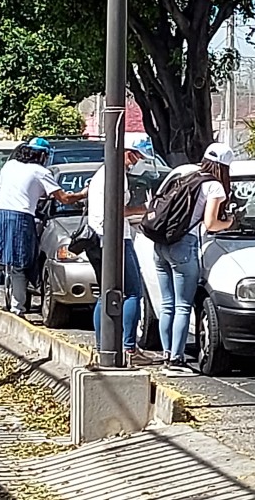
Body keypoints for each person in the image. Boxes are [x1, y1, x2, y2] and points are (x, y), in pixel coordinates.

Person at [0, 137, 85, 330]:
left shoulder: (9, 166)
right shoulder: (41, 172)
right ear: (43, 155)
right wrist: (84, 193)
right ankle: (17, 310)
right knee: (20, 266)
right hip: (21, 218)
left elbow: (2, 190)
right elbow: (64, 198)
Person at [155, 142, 236, 376]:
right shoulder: (215, 187)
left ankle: (166, 354)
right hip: (183, 246)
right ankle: (176, 361)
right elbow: (211, 224)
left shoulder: (189, 175)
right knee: (183, 305)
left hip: (160, 245)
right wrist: (230, 222)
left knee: (168, 304)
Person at [86, 142, 152, 367]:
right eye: (135, 156)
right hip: (114, 238)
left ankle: (102, 345)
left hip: (101, 237)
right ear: (126, 153)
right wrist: (145, 208)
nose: (136, 162)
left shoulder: (103, 174)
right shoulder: (114, 175)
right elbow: (116, 209)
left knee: (106, 293)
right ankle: (128, 347)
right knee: (133, 292)